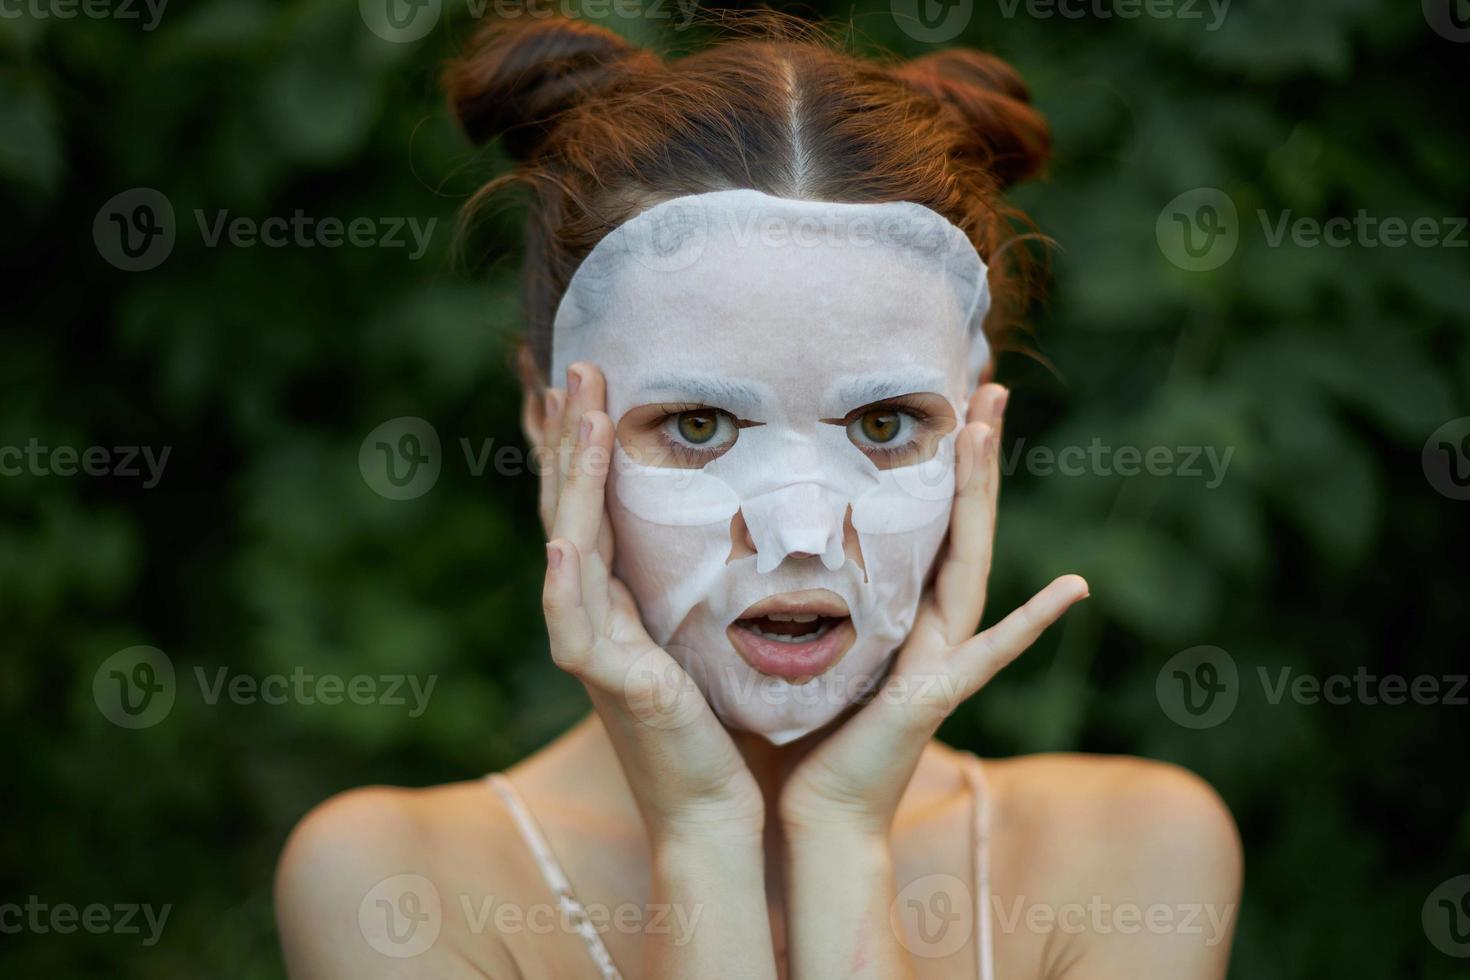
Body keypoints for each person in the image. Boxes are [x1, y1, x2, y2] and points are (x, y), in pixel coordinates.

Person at [275, 11, 1242, 978]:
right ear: (549, 428)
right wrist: (700, 834)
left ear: (978, 437)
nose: (803, 534)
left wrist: (844, 833)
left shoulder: (1130, 856)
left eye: (882, 425)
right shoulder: (396, 887)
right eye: (699, 426)